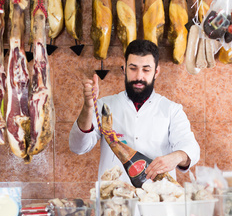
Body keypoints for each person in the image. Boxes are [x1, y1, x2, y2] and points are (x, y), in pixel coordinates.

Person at [69, 39, 200, 182]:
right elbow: (77, 146)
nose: (139, 76)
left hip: (156, 198)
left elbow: (191, 147)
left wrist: (176, 157)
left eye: (146, 69)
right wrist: (88, 107)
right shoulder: (104, 106)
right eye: (133, 68)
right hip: (113, 198)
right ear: (124, 69)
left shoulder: (171, 110)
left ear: (156, 72)